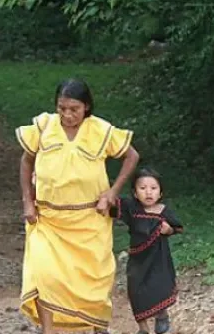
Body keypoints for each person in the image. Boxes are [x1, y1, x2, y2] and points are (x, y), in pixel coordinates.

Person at [16, 78, 140, 333]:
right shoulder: (43, 126)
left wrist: (112, 192)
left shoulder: (100, 130)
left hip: (89, 219)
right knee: (43, 274)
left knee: (92, 280)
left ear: (86, 107)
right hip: (48, 219)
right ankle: (48, 330)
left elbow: (131, 156)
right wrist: (28, 201)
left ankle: (95, 326)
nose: (67, 115)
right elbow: (26, 161)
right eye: (62, 108)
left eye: (74, 109)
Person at [109, 168, 184, 334]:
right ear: (135, 193)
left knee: (159, 287)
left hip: (159, 260)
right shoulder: (131, 208)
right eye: (142, 188)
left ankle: (162, 316)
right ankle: (143, 328)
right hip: (138, 261)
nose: (148, 192)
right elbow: (111, 204)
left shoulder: (164, 211)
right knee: (136, 291)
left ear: (160, 192)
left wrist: (168, 230)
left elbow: (177, 228)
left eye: (153, 188)